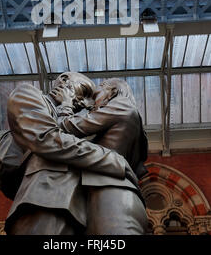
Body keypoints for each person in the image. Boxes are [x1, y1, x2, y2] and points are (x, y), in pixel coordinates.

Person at [4, 73, 138, 235]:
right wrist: (112, 160)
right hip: (43, 200)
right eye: (85, 93)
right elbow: (48, 140)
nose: (87, 103)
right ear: (65, 81)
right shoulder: (29, 95)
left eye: (91, 97)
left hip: (78, 207)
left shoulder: (113, 110)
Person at [55, 78, 148, 235]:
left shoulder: (121, 105)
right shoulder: (131, 120)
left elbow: (66, 126)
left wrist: (65, 105)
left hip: (111, 194)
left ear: (111, 91)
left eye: (95, 95)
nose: (91, 103)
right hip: (117, 192)